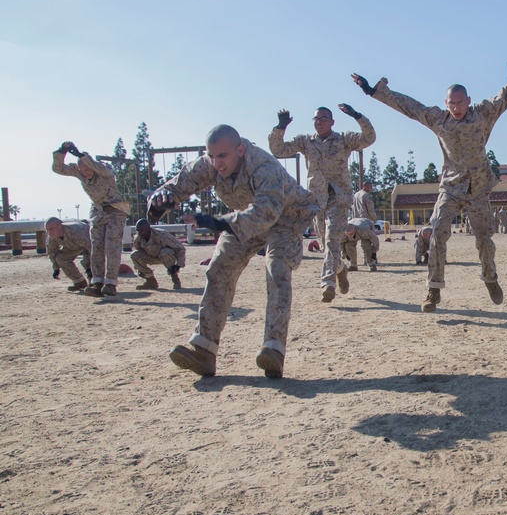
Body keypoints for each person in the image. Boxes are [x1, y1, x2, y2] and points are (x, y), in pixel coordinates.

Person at [353, 53, 507, 312]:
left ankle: (490, 278)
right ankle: (433, 289)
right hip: (451, 187)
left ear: (468, 101)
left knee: (484, 238)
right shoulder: (438, 119)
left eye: (460, 103)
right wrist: (373, 91)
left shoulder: (483, 114)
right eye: (451, 103)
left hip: (478, 187)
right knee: (436, 231)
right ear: (446, 103)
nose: (456, 108)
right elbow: (410, 107)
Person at [149, 124, 319, 379]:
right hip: (242, 217)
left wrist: (215, 222)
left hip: (286, 217)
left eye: (222, 156)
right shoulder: (211, 162)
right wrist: (161, 199)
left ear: (240, 150)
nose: (216, 163)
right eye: (212, 156)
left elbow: (265, 214)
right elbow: (181, 182)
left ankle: (273, 349)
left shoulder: (264, 167)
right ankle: (204, 350)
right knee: (218, 269)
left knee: (276, 267)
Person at [269, 105, 376, 303]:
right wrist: (280, 127)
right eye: (316, 119)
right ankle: (340, 269)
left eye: (324, 118)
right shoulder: (306, 142)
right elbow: (278, 150)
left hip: (339, 198)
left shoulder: (343, 139)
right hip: (316, 200)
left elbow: (369, 138)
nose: (319, 122)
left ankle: (328, 282)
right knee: (326, 245)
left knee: (331, 239)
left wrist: (357, 116)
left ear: (332, 122)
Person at [52, 142, 130, 297]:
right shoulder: (79, 171)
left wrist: (82, 155)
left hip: (115, 210)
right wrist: (62, 152)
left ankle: (111, 283)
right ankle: (97, 281)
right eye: (82, 170)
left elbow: (101, 169)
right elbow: (58, 169)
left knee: (112, 246)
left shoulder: (103, 169)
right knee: (96, 247)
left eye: (88, 169)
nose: (85, 173)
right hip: (98, 211)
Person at [131, 218, 186, 290]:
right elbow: (138, 250)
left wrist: (178, 265)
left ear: (148, 229)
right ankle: (151, 281)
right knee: (134, 255)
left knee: (165, 252)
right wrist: (139, 267)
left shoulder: (162, 235)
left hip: (166, 256)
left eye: (141, 230)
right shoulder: (138, 238)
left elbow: (180, 248)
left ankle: (175, 279)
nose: (139, 233)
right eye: (138, 230)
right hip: (151, 256)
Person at [45, 217, 92, 292]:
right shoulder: (52, 237)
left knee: (91, 262)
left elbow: (92, 250)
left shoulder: (76, 231)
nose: (49, 232)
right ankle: (79, 282)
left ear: (60, 226)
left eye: (51, 228)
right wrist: (56, 268)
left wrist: (89, 268)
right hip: (73, 245)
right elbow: (52, 252)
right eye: (47, 230)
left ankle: (97, 283)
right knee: (61, 258)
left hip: (89, 240)